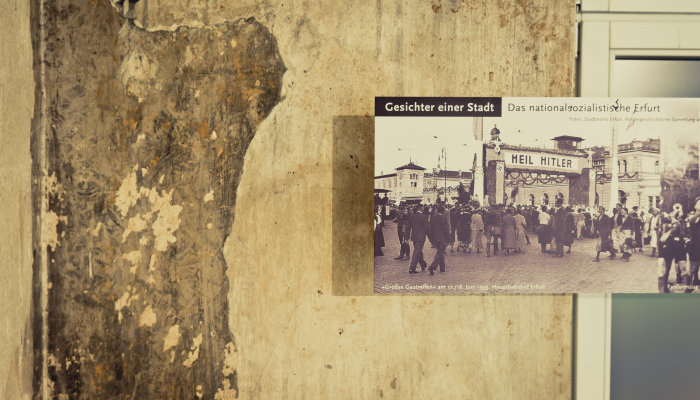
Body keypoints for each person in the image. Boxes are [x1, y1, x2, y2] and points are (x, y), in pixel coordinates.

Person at [657, 215, 687, 292]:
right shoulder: (665, 231)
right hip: (668, 251)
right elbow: (661, 241)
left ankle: (681, 280)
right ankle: (664, 287)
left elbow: (682, 238)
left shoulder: (679, 228)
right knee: (666, 269)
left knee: (681, 266)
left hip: (677, 249)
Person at [428, 206, 451, 275]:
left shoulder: (433, 219)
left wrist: (432, 239)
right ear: (443, 212)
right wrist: (449, 239)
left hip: (436, 239)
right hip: (443, 238)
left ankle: (442, 268)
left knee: (440, 252)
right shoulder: (444, 219)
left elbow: (431, 229)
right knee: (440, 253)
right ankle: (432, 267)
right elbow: (447, 230)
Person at [406, 205, 429, 274]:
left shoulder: (412, 216)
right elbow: (427, 228)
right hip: (421, 237)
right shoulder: (424, 217)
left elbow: (408, 227)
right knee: (417, 252)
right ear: (421, 209)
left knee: (418, 251)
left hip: (414, 237)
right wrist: (431, 238)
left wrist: (407, 237)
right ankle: (412, 268)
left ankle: (423, 264)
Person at [685, 197, 700, 292]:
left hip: (695, 246)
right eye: (697, 209)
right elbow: (690, 233)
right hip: (695, 248)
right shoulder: (693, 219)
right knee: (692, 268)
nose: (697, 211)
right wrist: (688, 240)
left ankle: (695, 282)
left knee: (694, 268)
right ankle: (688, 289)